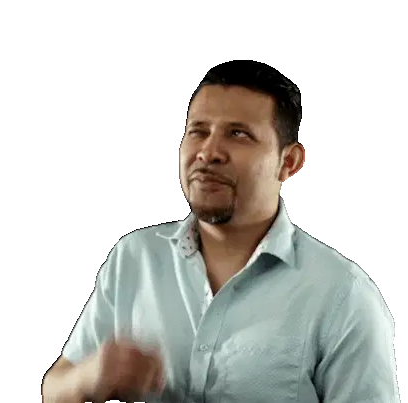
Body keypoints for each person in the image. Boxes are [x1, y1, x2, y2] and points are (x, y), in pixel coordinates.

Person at [41, 64, 400, 402]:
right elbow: (54, 389)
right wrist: (88, 376)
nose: (208, 152)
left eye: (238, 134)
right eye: (198, 131)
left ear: (288, 162)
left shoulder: (343, 297)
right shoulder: (135, 258)